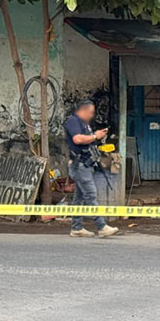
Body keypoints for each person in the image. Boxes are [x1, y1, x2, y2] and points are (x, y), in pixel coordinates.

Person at [64, 100, 119, 238]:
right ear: (83, 110)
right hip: (79, 165)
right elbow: (77, 139)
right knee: (91, 195)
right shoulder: (73, 121)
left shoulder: (84, 124)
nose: (92, 115)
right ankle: (101, 226)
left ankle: (76, 228)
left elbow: (86, 139)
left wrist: (97, 136)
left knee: (79, 197)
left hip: (86, 165)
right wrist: (95, 136)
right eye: (91, 113)